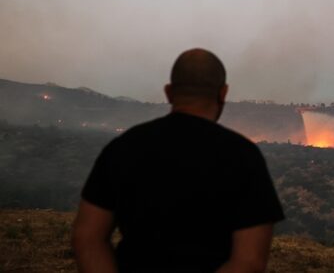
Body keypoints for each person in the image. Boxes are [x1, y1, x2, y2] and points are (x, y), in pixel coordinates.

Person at [72, 48, 284, 273]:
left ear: (169, 92)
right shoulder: (244, 156)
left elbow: (88, 238)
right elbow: (249, 261)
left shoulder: (124, 147)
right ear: (223, 93)